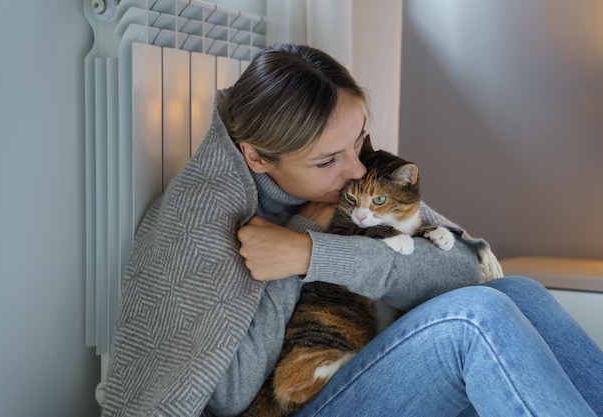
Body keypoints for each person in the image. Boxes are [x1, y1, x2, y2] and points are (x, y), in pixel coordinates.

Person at [100, 43, 603, 417]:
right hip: (286, 405)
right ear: (256, 156)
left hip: (347, 365)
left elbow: (467, 269)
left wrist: (310, 253)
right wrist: (295, 246)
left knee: (518, 292)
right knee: (473, 322)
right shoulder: (198, 222)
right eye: (328, 160)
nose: (357, 171)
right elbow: (228, 396)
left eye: (358, 142)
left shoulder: (344, 185)